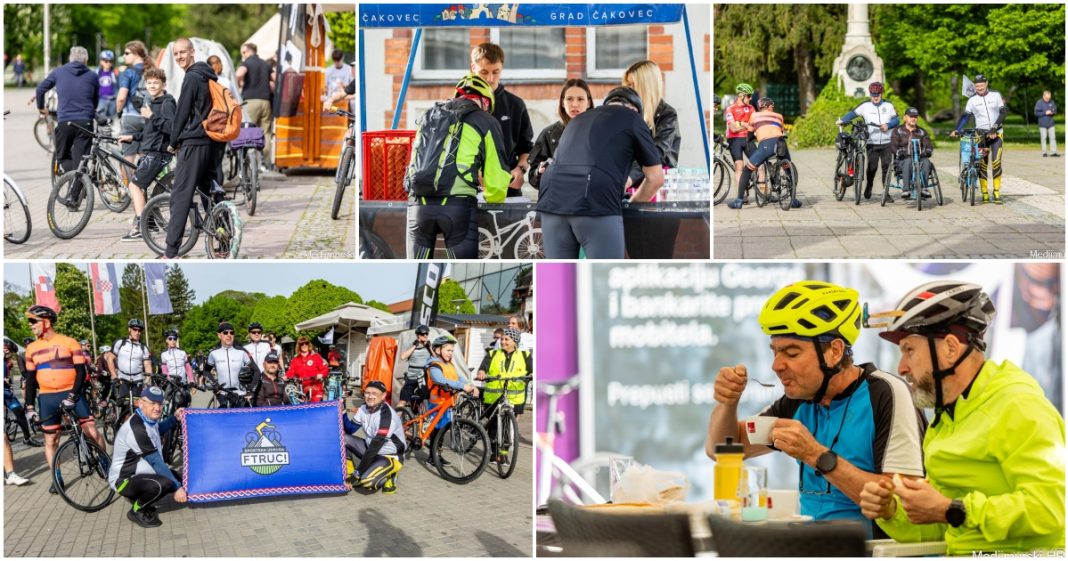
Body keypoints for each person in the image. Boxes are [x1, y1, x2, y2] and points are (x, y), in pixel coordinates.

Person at [859, 281, 1065, 554]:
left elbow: (1053, 509)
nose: (902, 368)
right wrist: (892, 510)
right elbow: (945, 526)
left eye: (909, 350)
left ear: (951, 348)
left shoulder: (1017, 405)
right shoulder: (946, 417)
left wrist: (953, 509)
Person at [704, 281, 926, 536]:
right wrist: (727, 402)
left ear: (834, 351)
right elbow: (723, 449)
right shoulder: (799, 400)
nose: (776, 365)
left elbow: (903, 502)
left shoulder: (885, 392)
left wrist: (816, 456)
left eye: (792, 353)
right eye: (775, 352)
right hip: (812, 546)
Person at [536, 87, 664, 259]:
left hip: (551, 198)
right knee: (603, 276)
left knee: (559, 279)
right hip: (595, 199)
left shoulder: (577, 120)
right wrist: (631, 206)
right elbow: (655, 178)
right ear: (635, 109)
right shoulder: (632, 118)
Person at [406, 73, 511, 259]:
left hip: (418, 204)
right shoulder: (485, 120)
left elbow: (416, 156)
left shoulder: (430, 115)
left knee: (415, 271)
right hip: (457, 207)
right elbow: (498, 172)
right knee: (460, 270)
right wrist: (493, 195)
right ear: (485, 102)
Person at [21, 306, 107, 494]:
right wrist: (28, 406)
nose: (30, 325)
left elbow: (81, 371)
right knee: (51, 439)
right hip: (46, 396)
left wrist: (73, 396)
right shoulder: (31, 348)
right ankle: (56, 475)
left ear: (47, 321)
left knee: (91, 430)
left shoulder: (69, 342)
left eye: (33, 321)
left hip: (71, 392)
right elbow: (29, 379)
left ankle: (103, 461)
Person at [165, 38, 225, 259]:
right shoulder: (207, 74)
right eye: (176, 54)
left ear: (192, 52)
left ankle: (171, 251)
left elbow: (182, 112)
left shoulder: (191, 77)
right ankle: (224, 240)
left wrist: (173, 141)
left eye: (183, 52)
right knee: (211, 192)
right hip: (211, 141)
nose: (180, 57)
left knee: (180, 194)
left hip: (194, 142)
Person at [108, 386, 187, 528]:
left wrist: (174, 418)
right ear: (140, 403)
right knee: (166, 483)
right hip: (124, 480)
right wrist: (177, 488)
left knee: (177, 477)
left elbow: (158, 430)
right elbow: (157, 463)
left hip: (140, 473)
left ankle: (141, 499)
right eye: (152, 403)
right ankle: (137, 510)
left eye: (160, 404)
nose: (157, 408)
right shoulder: (136, 429)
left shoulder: (146, 418)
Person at [116, 66, 176, 242]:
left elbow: (172, 128)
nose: (152, 86)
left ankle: (141, 227)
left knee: (134, 186)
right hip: (150, 150)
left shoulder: (167, 103)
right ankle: (150, 223)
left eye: (156, 83)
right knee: (140, 186)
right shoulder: (152, 102)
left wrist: (151, 116)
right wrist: (132, 137)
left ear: (163, 84)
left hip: (158, 153)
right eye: (149, 83)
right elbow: (151, 133)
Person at [470, 43, 533, 199]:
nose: (490, 79)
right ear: (473, 68)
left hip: (508, 190)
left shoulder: (516, 105)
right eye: (484, 72)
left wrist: (520, 170)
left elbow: (526, 149)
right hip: (468, 191)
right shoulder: (460, 105)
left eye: (495, 72)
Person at [726, 97, 800, 209]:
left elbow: (750, 134)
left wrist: (751, 140)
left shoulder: (754, 116)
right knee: (788, 168)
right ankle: (793, 199)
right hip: (781, 143)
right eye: (772, 105)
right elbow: (780, 131)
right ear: (769, 106)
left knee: (747, 169)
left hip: (766, 145)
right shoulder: (779, 116)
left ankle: (739, 201)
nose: (773, 107)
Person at [35, 46, 99, 174]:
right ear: (86, 60)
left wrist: (41, 108)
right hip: (85, 122)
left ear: (70, 58)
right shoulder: (93, 76)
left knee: (62, 157)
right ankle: (77, 190)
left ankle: (71, 184)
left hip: (65, 122)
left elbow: (40, 89)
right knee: (82, 161)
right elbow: (95, 100)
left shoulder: (59, 72)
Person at [622, 60, 680, 193]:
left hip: (652, 187)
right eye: (628, 85)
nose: (629, 90)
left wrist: (629, 178)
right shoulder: (628, 111)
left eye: (633, 85)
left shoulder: (667, 115)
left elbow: (655, 154)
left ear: (646, 86)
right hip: (626, 181)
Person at [477, 327, 532, 463]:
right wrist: (482, 373)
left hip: (514, 397)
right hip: (494, 397)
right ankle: (493, 452)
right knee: (494, 426)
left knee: (508, 427)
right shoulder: (492, 354)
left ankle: (503, 454)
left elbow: (533, 370)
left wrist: (532, 374)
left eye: (507, 339)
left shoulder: (525, 356)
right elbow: (483, 367)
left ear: (515, 341)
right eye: (502, 339)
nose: (503, 342)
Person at [527, 79, 593, 190]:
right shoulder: (549, 134)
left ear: (589, 103)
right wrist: (539, 171)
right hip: (557, 202)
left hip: (590, 201)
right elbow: (533, 179)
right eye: (569, 99)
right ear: (562, 102)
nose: (575, 104)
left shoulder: (598, 132)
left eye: (580, 99)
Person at [837, 82, 899, 200]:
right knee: (872, 167)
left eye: (877, 95)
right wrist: (842, 120)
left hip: (887, 142)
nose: (875, 97)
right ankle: (869, 185)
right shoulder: (864, 106)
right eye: (873, 95)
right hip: (871, 142)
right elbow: (852, 114)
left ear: (882, 94)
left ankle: (885, 193)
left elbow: (897, 120)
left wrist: (888, 125)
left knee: (886, 167)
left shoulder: (889, 105)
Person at [342, 380, 405, 494]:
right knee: (341, 439)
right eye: (367, 393)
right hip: (370, 448)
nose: (370, 396)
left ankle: (389, 475)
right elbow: (350, 430)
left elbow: (374, 448)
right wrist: (343, 411)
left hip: (389, 456)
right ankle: (350, 474)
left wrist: (358, 474)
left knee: (367, 482)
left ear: (383, 396)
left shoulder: (386, 417)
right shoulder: (363, 408)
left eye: (374, 393)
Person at [951, 75, 1006, 203]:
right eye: (977, 86)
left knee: (996, 162)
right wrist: (957, 130)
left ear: (986, 84)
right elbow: (965, 116)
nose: (979, 88)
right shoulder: (972, 100)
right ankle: (985, 193)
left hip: (997, 134)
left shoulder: (995, 95)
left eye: (981, 85)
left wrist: (994, 127)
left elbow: (1003, 112)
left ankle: (997, 192)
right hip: (980, 135)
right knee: (982, 164)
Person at [425, 335, 480, 461]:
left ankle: (436, 454)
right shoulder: (434, 365)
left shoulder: (449, 365)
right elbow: (440, 380)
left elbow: (458, 377)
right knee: (437, 429)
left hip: (448, 402)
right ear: (438, 350)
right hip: (437, 402)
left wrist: (470, 386)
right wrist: (462, 386)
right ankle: (433, 457)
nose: (451, 353)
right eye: (448, 350)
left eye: (452, 351)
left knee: (443, 430)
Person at [235, 42, 274, 170]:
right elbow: (274, 79)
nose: (243, 55)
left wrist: (239, 83)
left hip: (251, 101)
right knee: (266, 133)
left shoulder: (246, 63)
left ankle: (250, 165)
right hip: (266, 101)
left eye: (243, 53)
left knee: (249, 131)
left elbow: (239, 73)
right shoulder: (266, 64)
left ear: (247, 51)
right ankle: (265, 163)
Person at [116, 41, 153, 167]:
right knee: (145, 158)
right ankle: (142, 186)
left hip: (131, 118)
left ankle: (128, 187)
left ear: (136, 54)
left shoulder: (128, 72)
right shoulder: (152, 70)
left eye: (127, 53)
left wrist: (118, 112)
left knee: (127, 161)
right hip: (148, 117)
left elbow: (121, 97)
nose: (124, 55)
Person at [204, 322, 255, 407]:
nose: (229, 335)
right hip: (223, 394)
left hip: (241, 394)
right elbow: (206, 371)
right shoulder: (213, 353)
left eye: (232, 332)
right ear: (219, 335)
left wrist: (250, 390)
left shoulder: (242, 352)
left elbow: (256, 371)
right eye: (225, 332)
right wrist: (214, 385)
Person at [889, 107, 934, 201]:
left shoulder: (922, 131)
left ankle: (924, 188)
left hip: (920, 157)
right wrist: (898, 152)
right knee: (908, 161)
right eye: (911, 116)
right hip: (903, 158)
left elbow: (928, 145)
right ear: (905, 118)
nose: (913, 119)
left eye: (915, 117)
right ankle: (906, 190)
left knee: (926, 162)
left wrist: (928, 151)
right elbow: (893, 145)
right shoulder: (897, 130)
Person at [4, 341, 40, 447]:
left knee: (19, 411)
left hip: (6, 393)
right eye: (5, 348)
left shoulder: (8, 361)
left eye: (9, 350)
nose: (7, 351)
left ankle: (27, 438)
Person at [108, 319, 152, 404]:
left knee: (137, 405)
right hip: (122, 378)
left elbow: (148, 366)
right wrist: (114, 376)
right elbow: (110, 358)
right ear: (129, 329)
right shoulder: (120, 343)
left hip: (137, 379)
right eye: (134, 329)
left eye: (139, 330)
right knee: (122, 404)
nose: (137, 332)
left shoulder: (143, 348)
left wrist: (148, 380)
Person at [725, 83, 756, 181]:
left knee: (759, 164)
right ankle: (740, 196)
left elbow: (754, 125)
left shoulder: (751, 108)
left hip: (747, 138)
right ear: (741, 96)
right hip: (734, 140)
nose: (750, 98)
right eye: (749, 96)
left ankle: (763, 194)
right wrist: (747, 125)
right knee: (739, 167)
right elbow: (733, 128)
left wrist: (741, 124)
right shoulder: (731, 108)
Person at [397, 325, 432, 409]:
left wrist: (429, 347)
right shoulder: (411, 344)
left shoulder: (429, 346)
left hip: (424, 378)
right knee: (402, 401)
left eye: (426, 334)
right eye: (423, 334)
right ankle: (395, 419)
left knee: (426, 400)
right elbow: (403, 357)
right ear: (417, 335)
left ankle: (422, 419)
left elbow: (437, 359)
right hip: (411, 378)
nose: (425, 336)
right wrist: (414, 346)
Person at [286, 336, 326, 403]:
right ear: (299, 346)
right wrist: (284, 377)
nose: (304, 345)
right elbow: (290, 372)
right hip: (302, 390)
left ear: (309, 344)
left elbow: (325, 369)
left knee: (316, 408)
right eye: (302, 344)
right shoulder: (295, 359)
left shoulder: (316, 356)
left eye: (306, 343)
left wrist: (321, 374)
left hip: (316, 388)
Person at [95, 50, 119, 122]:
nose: (108, 63)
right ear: (101, 61)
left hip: (113, 100)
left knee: (112, 121)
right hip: (101, 100)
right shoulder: (97, 72)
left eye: (110, 61)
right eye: (106, 61)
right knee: (101, 121)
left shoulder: (115, 73)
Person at [1034, 90, 1059, 157]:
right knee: (1043, 138)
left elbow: (1055, 110)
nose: (1048, 99)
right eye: (1047, 98)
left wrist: (1052, 112)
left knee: (1053, 138)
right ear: (1043, 96)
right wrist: (1045, 113)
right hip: (1042, 124)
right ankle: (1044, 152)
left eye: (1049, 98)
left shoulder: (1052, 102)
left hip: (1051, 123)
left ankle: (1053, 152)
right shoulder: (1039, 102)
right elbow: (1036, 113)